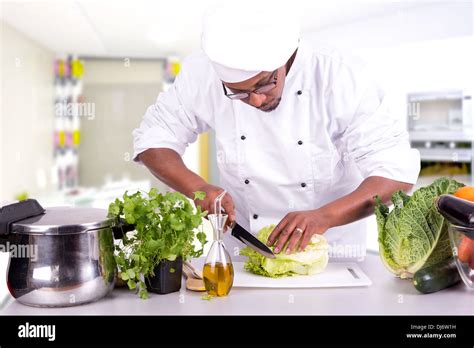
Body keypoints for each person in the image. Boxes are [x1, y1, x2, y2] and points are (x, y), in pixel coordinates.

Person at [133, 4, 420, 261]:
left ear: (287, 57)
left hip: (332, 254)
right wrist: (200, 189)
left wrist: (324, 217)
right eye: (238, 93)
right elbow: (153, 138)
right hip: (246, 252)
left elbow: (394, 173)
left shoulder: (338, 74)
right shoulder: (201, 72)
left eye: (264, 84)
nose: (256, 101)